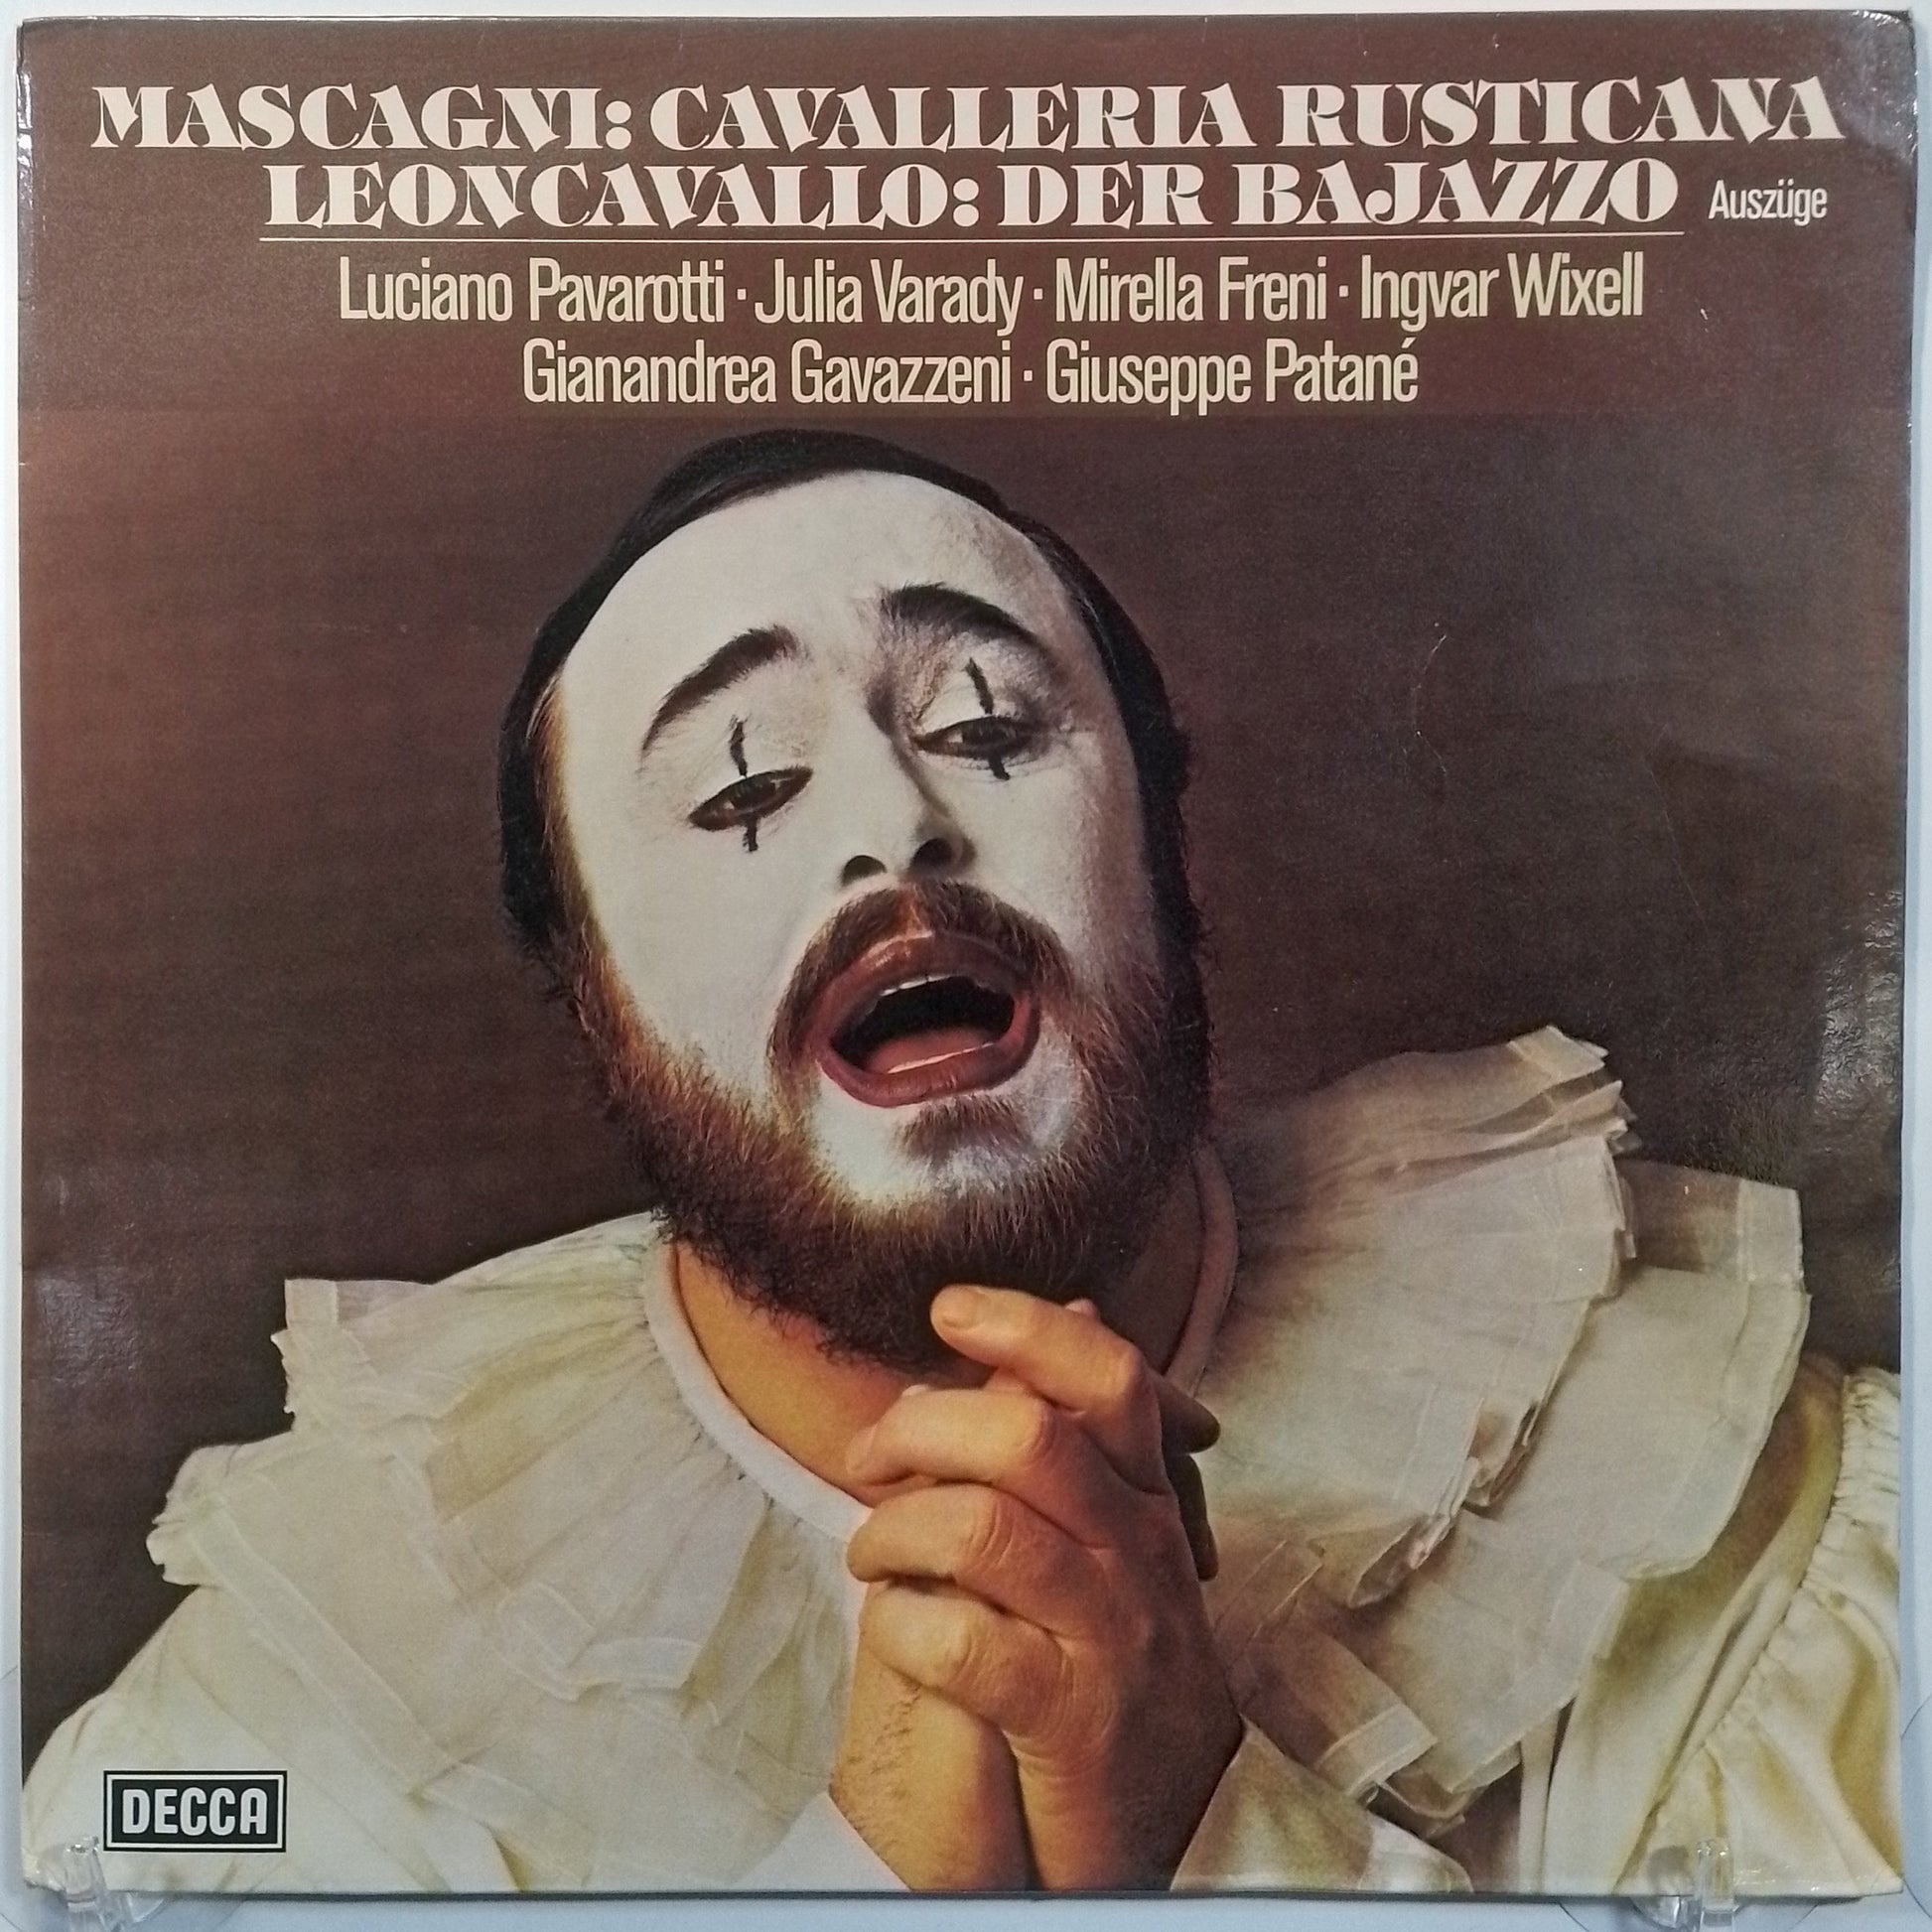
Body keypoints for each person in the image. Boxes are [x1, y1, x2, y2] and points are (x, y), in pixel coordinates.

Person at [23, 432, 1900, 1898]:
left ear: (1164, 858)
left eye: (987, 726)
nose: (894, 822)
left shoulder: (1760, 1534)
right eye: (744, 788)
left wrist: (1218, 1843)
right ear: (591, 995)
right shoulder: (266, 1732)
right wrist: (868, 1881)